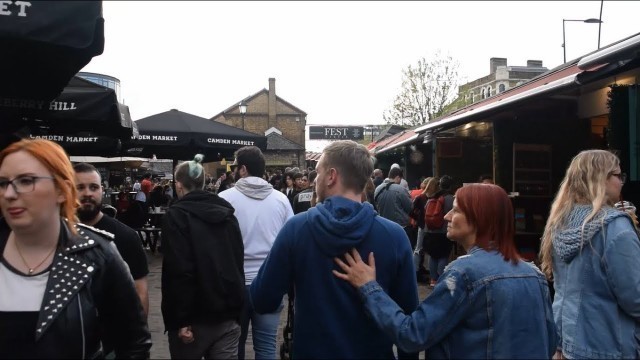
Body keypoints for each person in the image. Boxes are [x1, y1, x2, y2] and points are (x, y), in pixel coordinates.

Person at [333, 183, 557, 358]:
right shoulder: (534, 274)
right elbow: (548, 342)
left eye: (456, 210)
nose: (447, 216)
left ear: (479, 218)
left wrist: (369, 287)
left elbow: (412, 334)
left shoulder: (464, 274)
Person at [250, 140, 418, 358]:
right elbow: (409, 320)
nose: (316, 179)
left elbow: (262, 299)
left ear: (331, 176)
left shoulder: (297, 229)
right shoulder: (394, 236)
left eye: (318, 172)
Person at [0, 139, 151, 358]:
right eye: (3, 183)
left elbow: (134, 343)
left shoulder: (98, 254)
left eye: (25, 181)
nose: (9, 194)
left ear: (62, 190)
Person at [540, 150, 640, 359]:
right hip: (609, 345)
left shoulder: (559, 223)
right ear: (600, 178)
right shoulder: (615, 226)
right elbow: (634, 297)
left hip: (567, 343)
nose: (621, 182)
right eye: (617, 175)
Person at [161, 154, 245, 359]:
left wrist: (181, 319)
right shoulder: (227, 214)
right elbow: (237, 261)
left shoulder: (176, 216)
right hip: (227, 313)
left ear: (179, 185)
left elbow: (179, 269)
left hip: (194, 319)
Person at [218, 146, 294, 359]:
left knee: (234, 346)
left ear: (243, 169)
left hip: (235, 283)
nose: (233, 171)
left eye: (235, 167)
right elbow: (289, 244)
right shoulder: (281, 200)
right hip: (269, 282)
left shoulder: (225, 199)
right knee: (267, 346)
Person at [73, 162, 150, 319]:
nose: (88, 193)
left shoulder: (126, 237)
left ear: (102, 190)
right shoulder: (55, 235)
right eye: (80, 188)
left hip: (113, 335)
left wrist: (136, 337)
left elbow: (140, 292)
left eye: (94, 187)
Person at [424, 175, 454, 287]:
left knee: (433, 256)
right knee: (443, 256)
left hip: (430, 232)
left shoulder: (431, 198)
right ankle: (441, 280)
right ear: (450, 186)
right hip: (443, 232)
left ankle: (433, 280)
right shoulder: (451, 199)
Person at [374, 166, 413, 248]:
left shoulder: (378, 189)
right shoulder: (401, 189)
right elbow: (410, 207)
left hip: (383, 226)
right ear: (398, 177)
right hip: (400, 226)